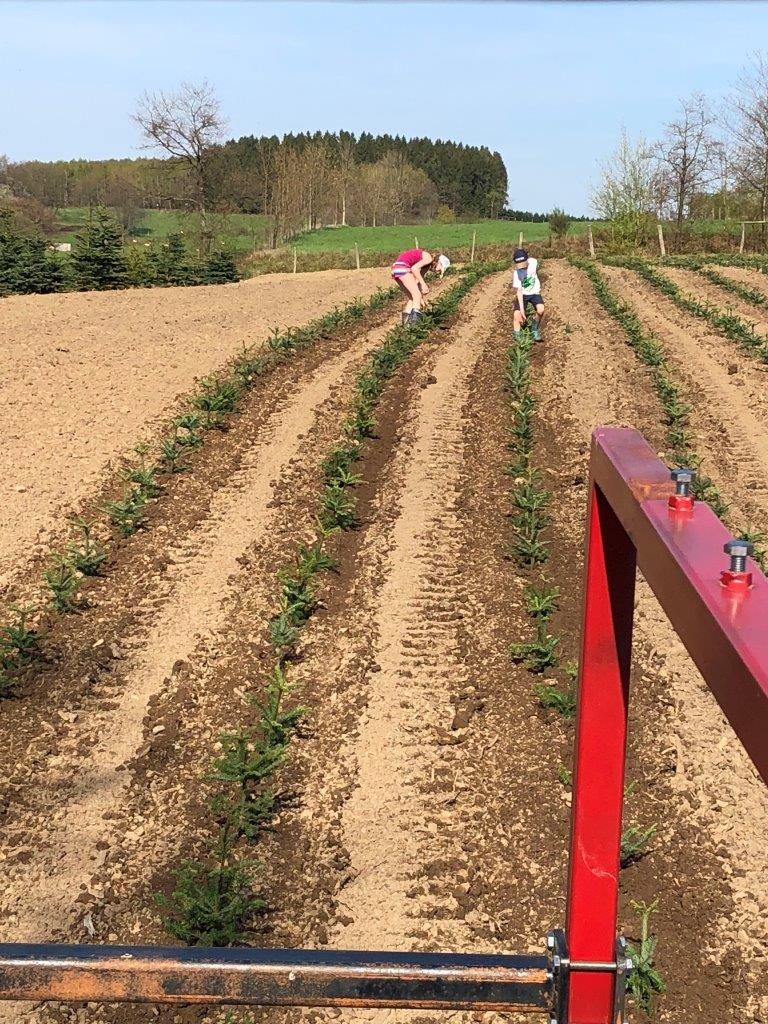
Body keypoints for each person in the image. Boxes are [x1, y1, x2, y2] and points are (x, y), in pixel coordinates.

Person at [391, 248, 435, 325]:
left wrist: (421, 299)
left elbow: (416, 280)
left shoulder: (426, 265)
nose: (438, 271)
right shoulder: (428, 258)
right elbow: (414, 269)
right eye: (440, 269)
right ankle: (414, 325)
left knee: (413, 297)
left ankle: (405, 324)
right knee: (416, 295)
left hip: (396, 269)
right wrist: (424, 285)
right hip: (403, 267)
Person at [511, 248, 545, 342]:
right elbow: (519, 291)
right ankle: (517, 336)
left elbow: (536, 272)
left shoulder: (534, 262)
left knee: (541, 310)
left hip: (534, 292)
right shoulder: (516, 274)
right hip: (523, 294)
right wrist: (522, 310)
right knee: (517, 315)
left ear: (527, 259)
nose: (521, 267)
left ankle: (534, 328)